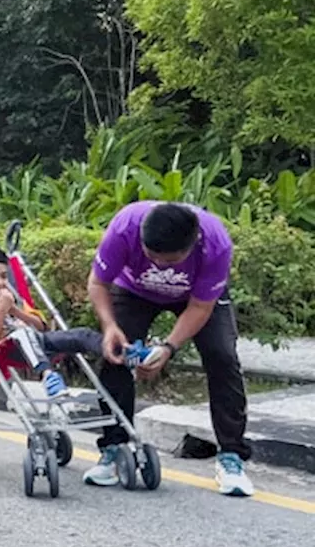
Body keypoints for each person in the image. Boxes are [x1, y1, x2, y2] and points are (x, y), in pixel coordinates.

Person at [85, 201, 253, 496]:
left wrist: (169, 347)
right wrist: (110, 325)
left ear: (193, 243)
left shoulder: (215, 243)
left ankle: (231, 456)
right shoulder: (126, 226)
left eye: (170, 260)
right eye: (153, 257)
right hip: (134, 290)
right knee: (114, 354)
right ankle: (114, 447)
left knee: (222, 356)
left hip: (196, 296)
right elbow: (98, 283)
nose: (160, 266)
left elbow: (201, 307)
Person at [0, 244, 148, 398]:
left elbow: (40, 326)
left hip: (38, 341)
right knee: (22, 333)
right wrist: (2, 311)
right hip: (4, 350)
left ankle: (125, 352)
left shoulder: (12, 297)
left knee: (81, 335)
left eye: (3, 276)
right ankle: (48, 375)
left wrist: (14, 310)